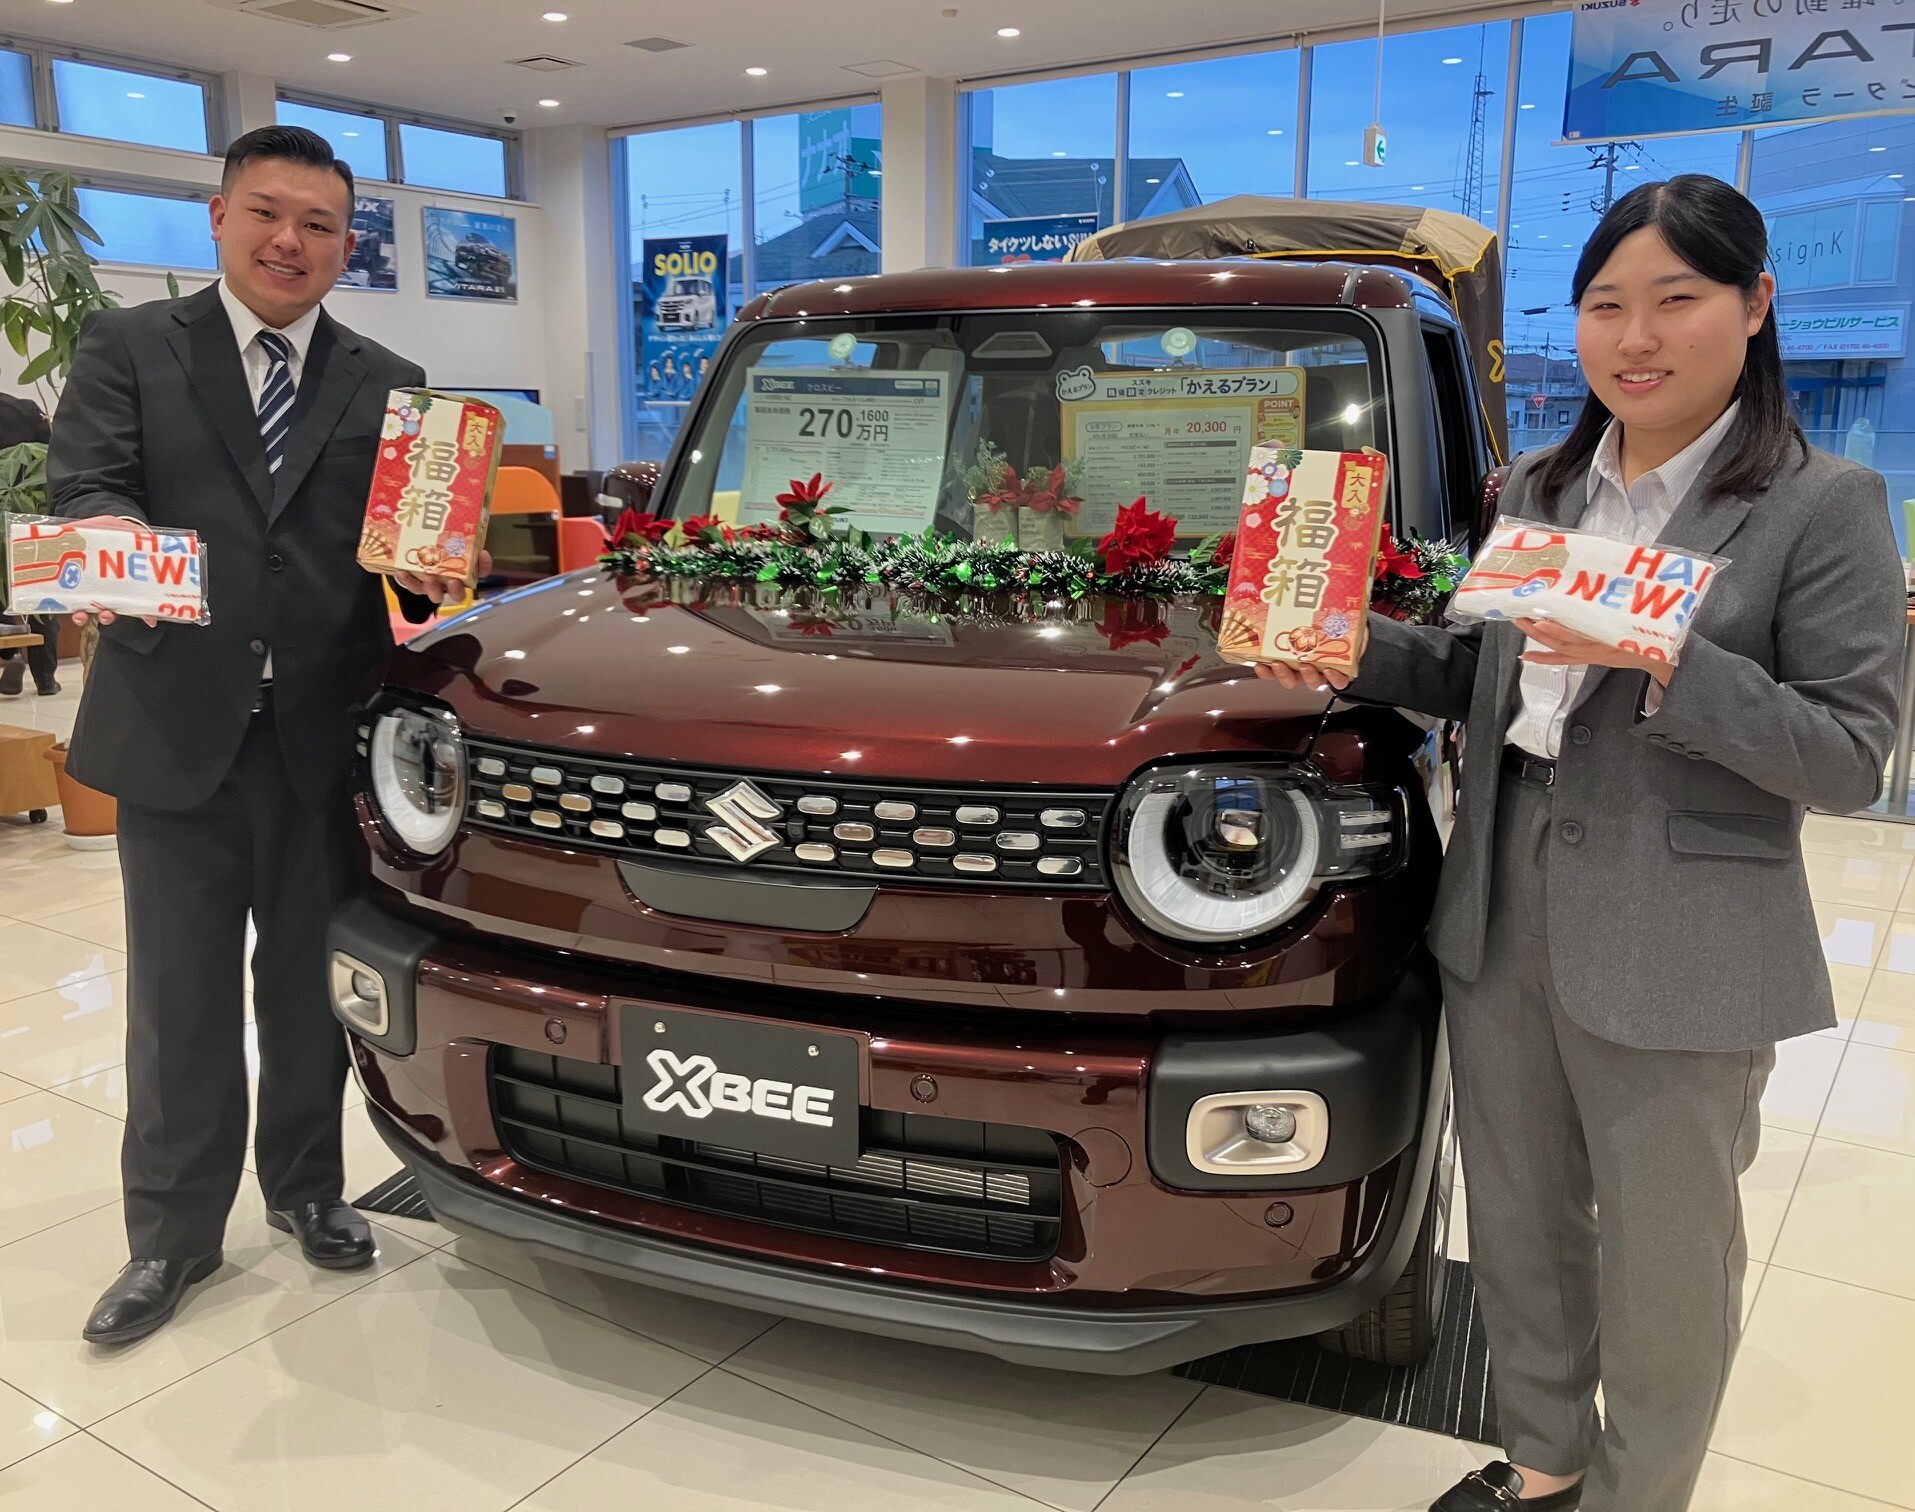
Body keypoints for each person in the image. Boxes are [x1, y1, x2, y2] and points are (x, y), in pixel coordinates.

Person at [1261, 174, 1903, 1511]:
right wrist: (1342, 641)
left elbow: (1851, 756)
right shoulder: (1540, 485)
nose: (1635, 337)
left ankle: (1635, 1494)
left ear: (1755, 305)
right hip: (1504, 890)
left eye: (1675, 299)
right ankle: (1544, 1461)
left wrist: (1665, 655)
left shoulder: (1820, 502)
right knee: (1517, 1212)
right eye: (1605, 305)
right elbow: (1483, 678)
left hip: (1682, 921)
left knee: (1666, 1254)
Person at [49, 125, 474, 1346]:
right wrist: (107, 540)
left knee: (305, 989)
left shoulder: (392, 381)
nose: (291, 241)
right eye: (268, 214)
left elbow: (410, 556)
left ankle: (307, 1190)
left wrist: (435, 568)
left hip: (319, 737)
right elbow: (89, 486)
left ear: (346, 244)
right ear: (220, 219)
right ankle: (172, 1238)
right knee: (177, 999)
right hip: (175, 726)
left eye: (319, 224)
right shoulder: (131, 345)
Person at [0, 390, 61, 697]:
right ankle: (45, 678)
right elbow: (51, 459)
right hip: (32, 513)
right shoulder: (24, 410)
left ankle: (10, 654)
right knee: (42, 594)